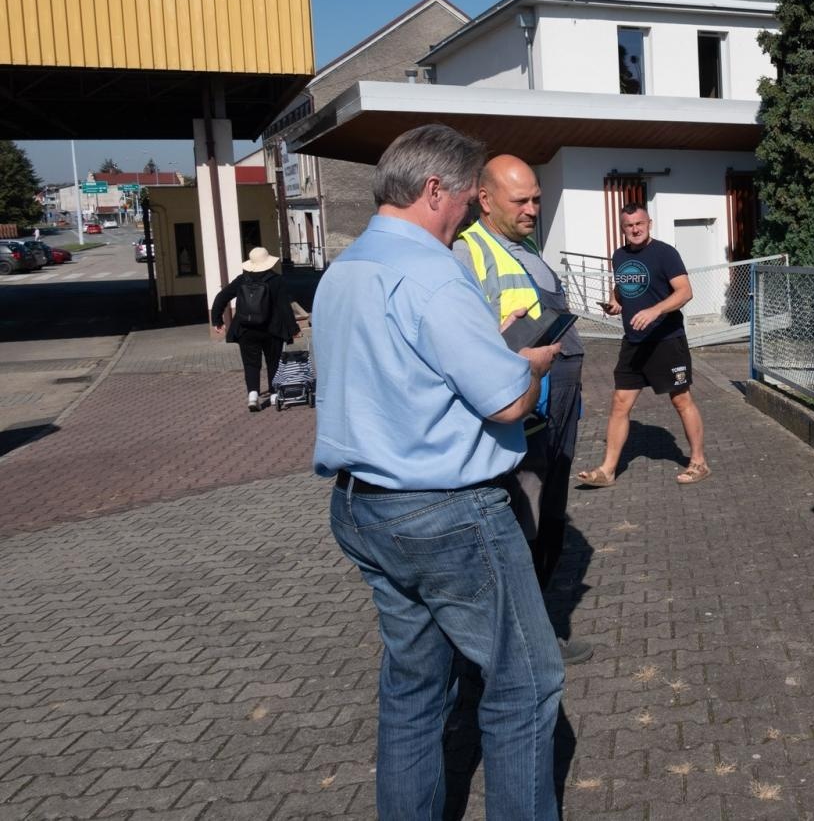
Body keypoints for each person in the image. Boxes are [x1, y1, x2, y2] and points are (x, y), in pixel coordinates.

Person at [313, 124, 565, 819]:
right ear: (433, 191)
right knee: (526, 684)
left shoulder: (345, 269)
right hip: (448, 512)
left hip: (363, 507)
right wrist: (531, 364)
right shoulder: (432, 272)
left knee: (414, 690)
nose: (465, 215)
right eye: (462, 199)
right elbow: (508, 400)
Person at [453, 154, 593, 665]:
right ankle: (519, 650)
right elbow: (464, 346)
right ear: (485, 201)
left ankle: (537, 634)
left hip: (555, 413)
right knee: (521, 533)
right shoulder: (467, 255)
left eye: (537, 197)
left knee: (548, 524)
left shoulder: (523, 244)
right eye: (522, 201)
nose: (534, 208)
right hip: (521, 425)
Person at [574, 204, 709, 486]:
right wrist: (616, 302)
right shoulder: (619, 256)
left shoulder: (665, 253)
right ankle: (608, 470)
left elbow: (685, 291)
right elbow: (624, 286)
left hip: (666, 340)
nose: (634, 229)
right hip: (634, 342)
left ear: (649, 223)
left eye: (639, 224)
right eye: (628, 225)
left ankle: (699, 462)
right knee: (620, 402)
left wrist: (655, 311)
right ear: (622, 228)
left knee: (681, 399)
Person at [210, 246, 299, 412]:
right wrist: (293, 328)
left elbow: (221, 297)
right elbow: (284, 307)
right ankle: (274, 395)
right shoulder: (277, 280)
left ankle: (252, 395)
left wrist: (217, 320)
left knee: (251, 363)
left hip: (246, 329)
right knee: (273, 361)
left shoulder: (242, 279)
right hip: (272, 329)